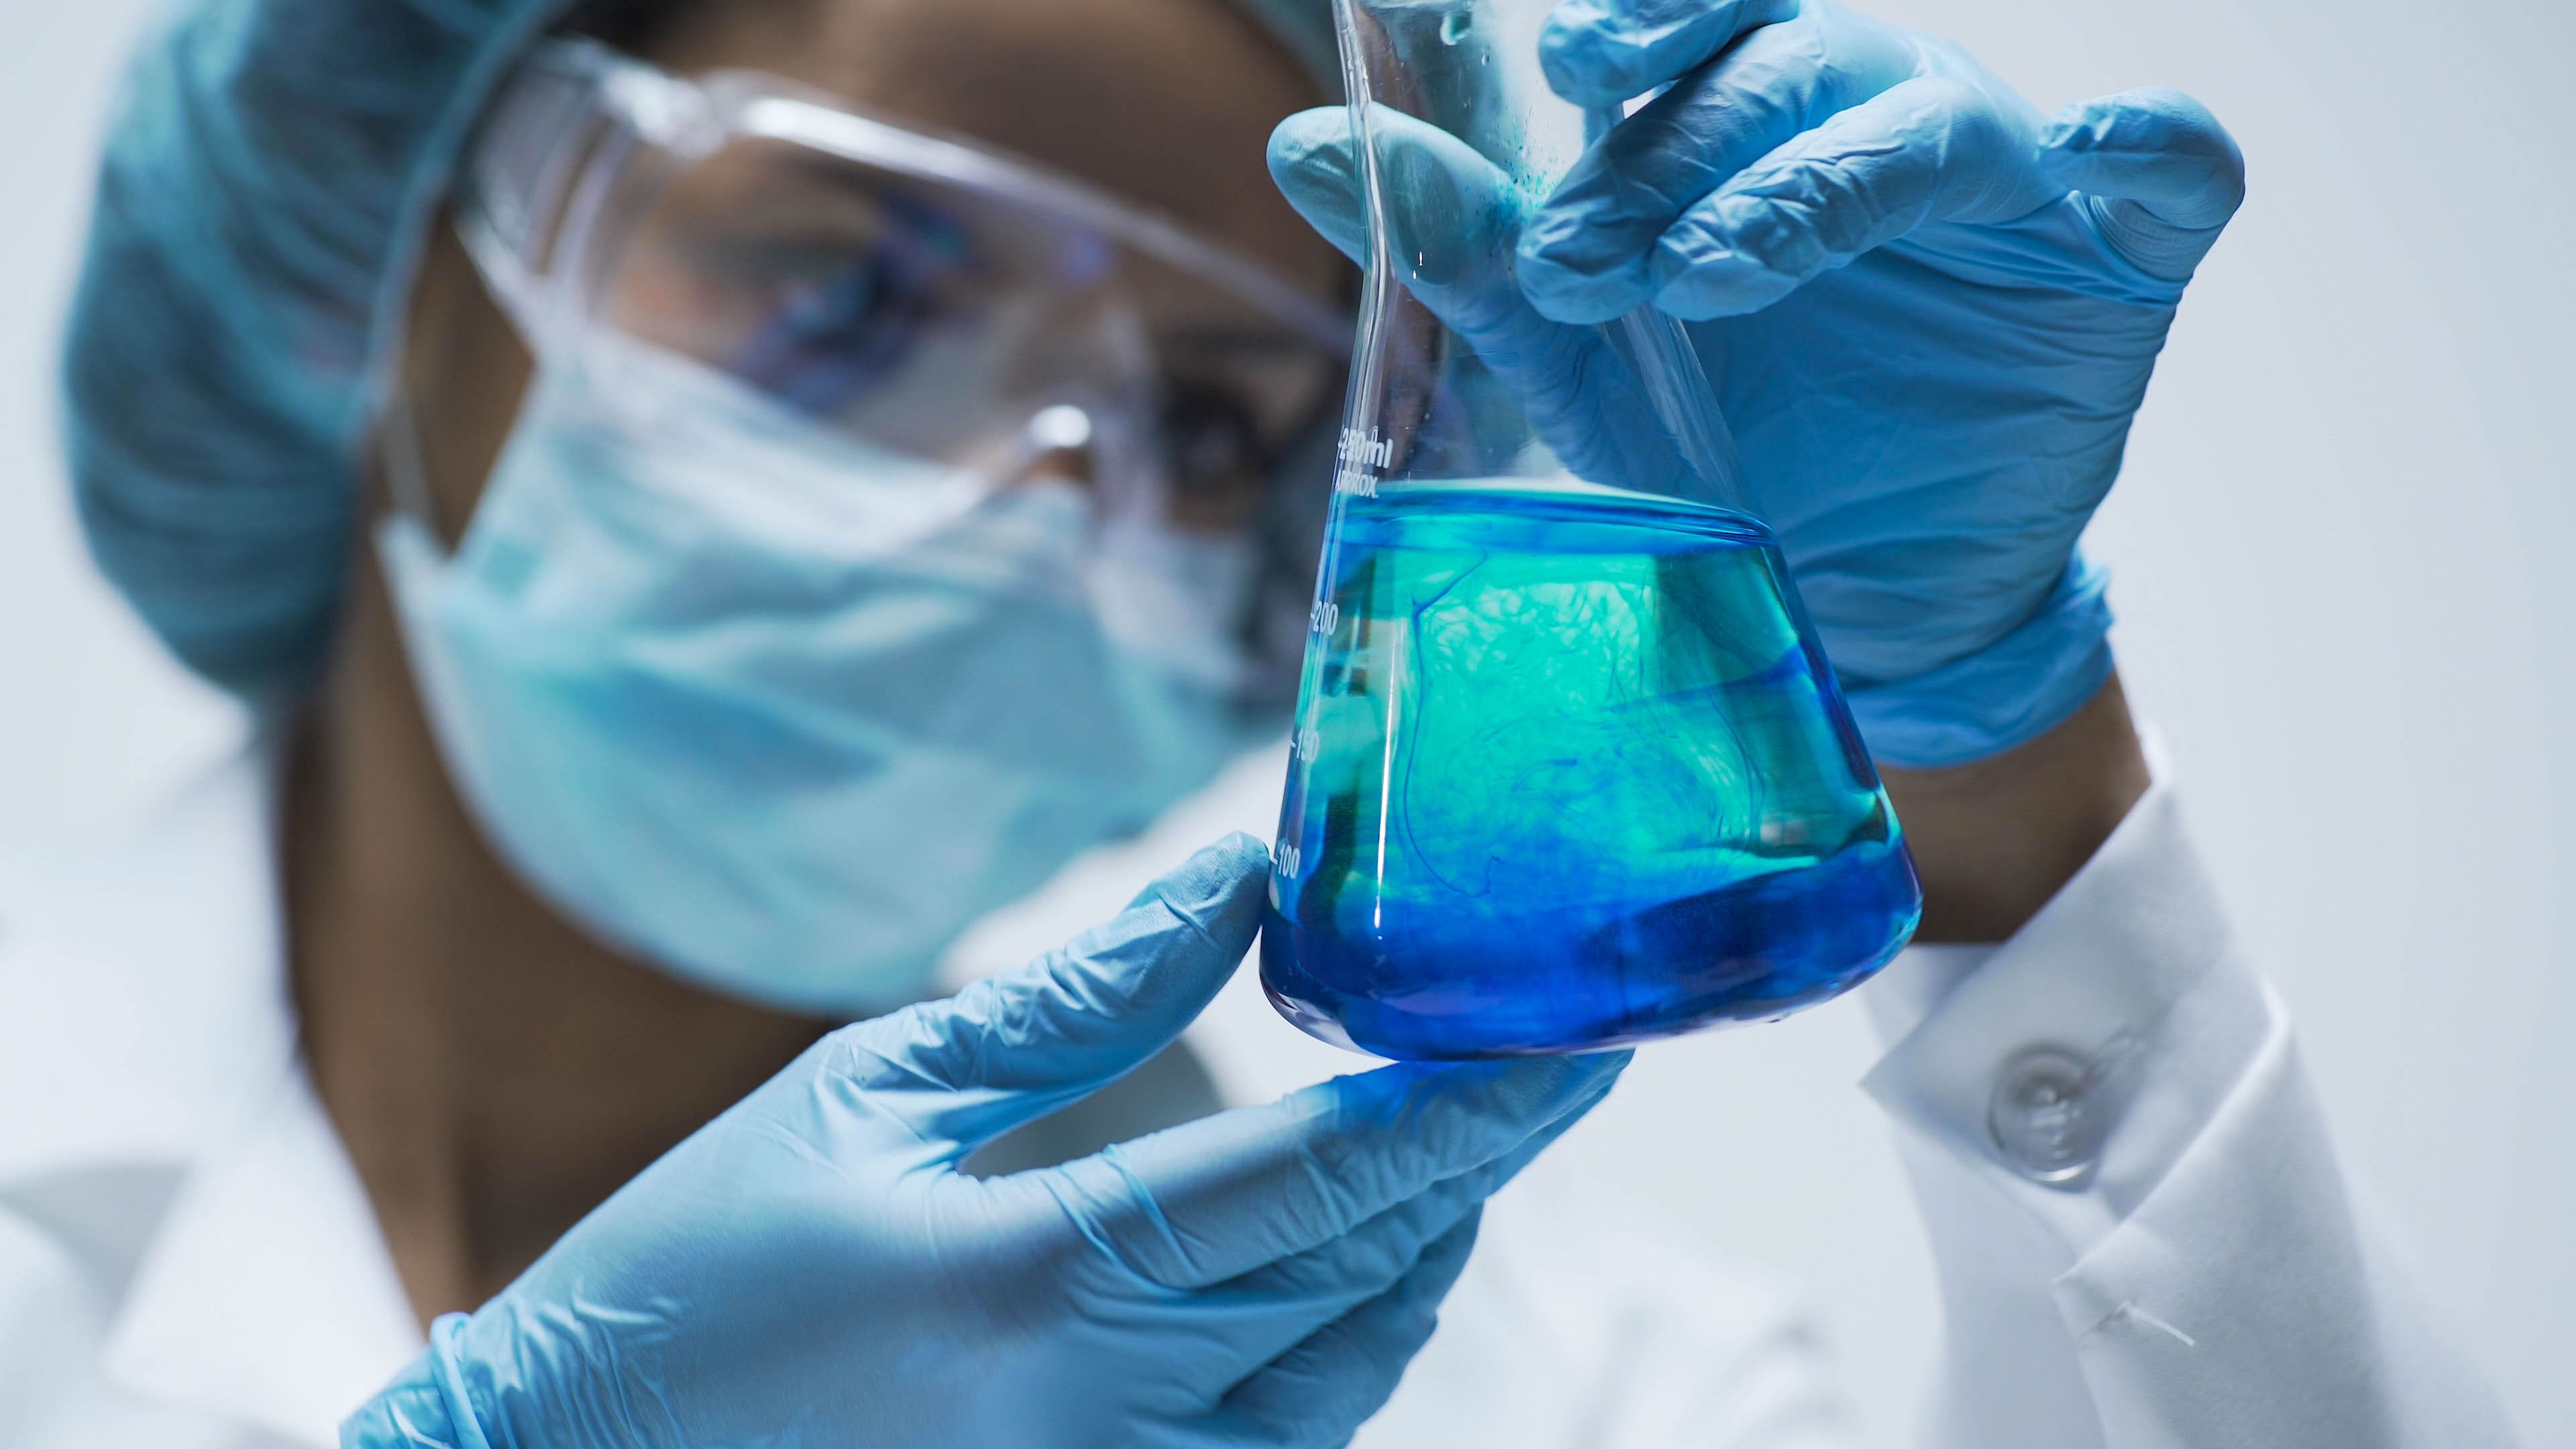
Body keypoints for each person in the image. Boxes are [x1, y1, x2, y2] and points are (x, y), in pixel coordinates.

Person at [4, 0, 2518, 1444]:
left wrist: (1992, 767)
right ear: (384, 281)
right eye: (846, 290)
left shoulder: (1522, 1378)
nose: (1031, 497)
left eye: (1217, 427)